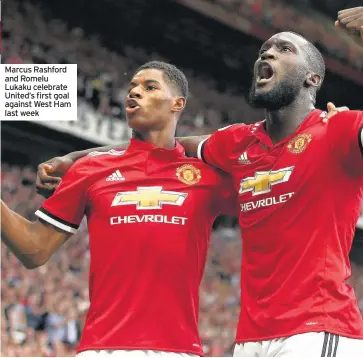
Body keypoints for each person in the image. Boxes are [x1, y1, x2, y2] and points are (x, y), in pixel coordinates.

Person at [35, 8, 363, 357]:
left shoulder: (338, 129)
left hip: (319, 327)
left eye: (284, 49)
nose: (269, 54)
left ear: (313, 79)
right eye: (265, 49)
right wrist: (76, 158)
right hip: (251, 337)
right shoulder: (238, 142)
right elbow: (165, 146)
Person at [2, 61, 240, 358]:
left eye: (149, 87)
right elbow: (34, 249)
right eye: (132, 87)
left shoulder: (207, 176)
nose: (135, 92)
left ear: (178, 104)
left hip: (178, 350)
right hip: (102, 349)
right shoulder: (90, 170)